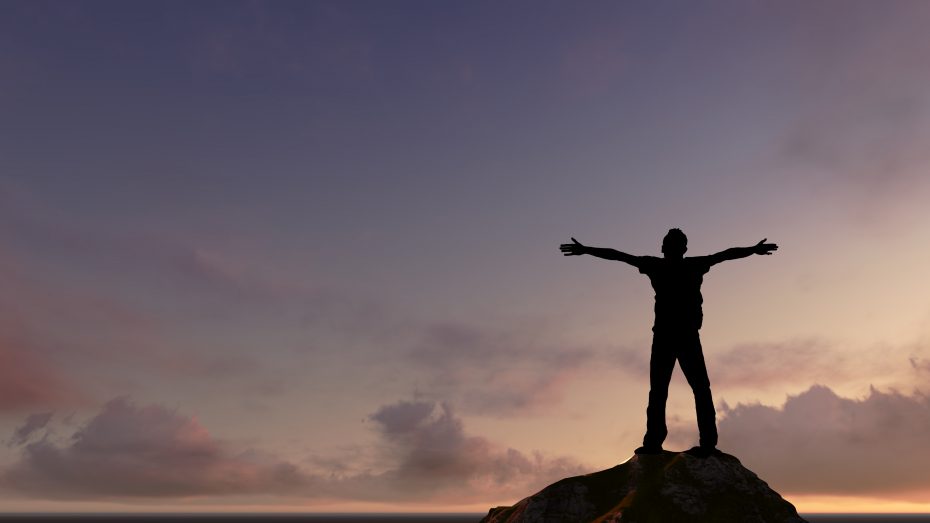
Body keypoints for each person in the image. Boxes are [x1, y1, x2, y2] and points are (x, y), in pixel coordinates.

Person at [559, 229, 777, 457]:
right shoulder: (681, 265)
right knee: (683, 389)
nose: (670, 249)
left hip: (677, 336)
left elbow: (619, 255)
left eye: (671, 245)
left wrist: (586, 250)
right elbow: (726, 254)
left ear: (671, 248)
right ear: (679, 249)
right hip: (674, 336)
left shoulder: (666, 265)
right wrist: (753, 250)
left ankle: (670, 443)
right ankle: (674, 443)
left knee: (677, 389)